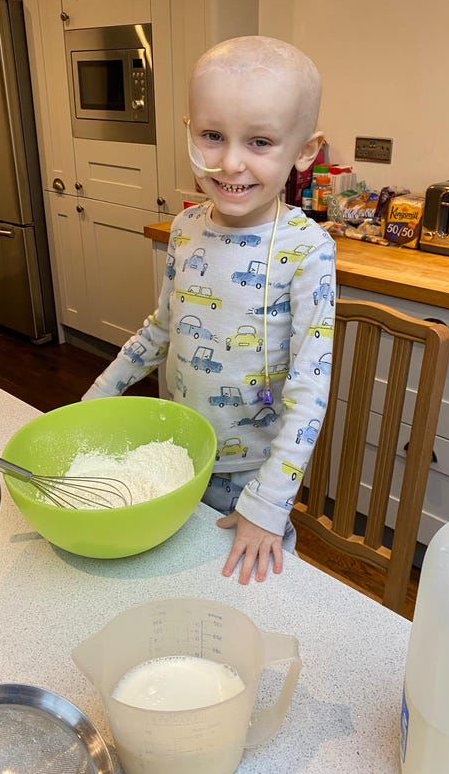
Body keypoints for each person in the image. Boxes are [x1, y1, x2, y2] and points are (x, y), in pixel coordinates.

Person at [83, 35, 336, 584]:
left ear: (305, 151)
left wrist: (268, 504)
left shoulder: (308, 249)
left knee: (239, 599)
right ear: (189, 129)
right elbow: (161, 330)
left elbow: (309, 387)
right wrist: (97, 398)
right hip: (173, 455)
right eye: (212, 135)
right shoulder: (185, 228)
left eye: (261, 141)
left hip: (250, 477)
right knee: (168, 583)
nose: (230, 163)